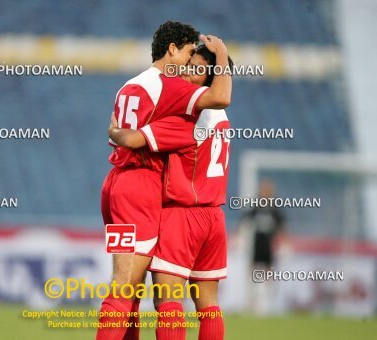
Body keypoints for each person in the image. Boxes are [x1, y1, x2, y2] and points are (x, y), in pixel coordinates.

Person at [98, 20, 231, 340]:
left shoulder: (128, 85)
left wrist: (114, 132)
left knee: (129, 286)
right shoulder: (173, 89)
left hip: (117, 184)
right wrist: (223, 56)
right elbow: (221, 96)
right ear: (172, 50)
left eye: (195, 63)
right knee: (129, 285)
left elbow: (124, 133)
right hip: (146, 189)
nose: (188, 63)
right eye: (187, 53)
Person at [239, 179, 285, 315]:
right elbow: (244, 221)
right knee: (251, 272)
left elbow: (282, 228)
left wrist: (284, 243)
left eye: (268, 190)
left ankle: (267, 303)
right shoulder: (256, 207)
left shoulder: (275, 210)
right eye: (263, 190)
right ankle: (250, 301)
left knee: (268, 274)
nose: (265, 193)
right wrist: (240, 238)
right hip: (255, 246)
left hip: (269, 248)